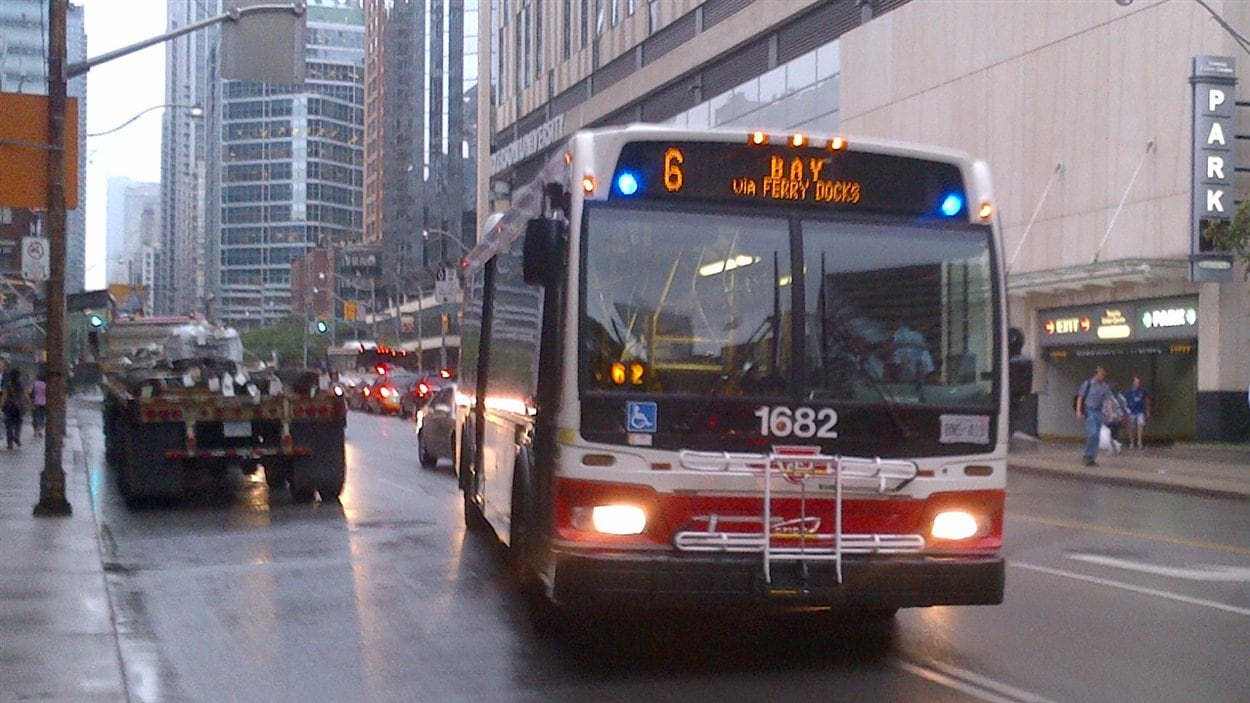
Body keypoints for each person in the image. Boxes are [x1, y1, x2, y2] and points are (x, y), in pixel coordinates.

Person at [1075, 365, 1112, 467]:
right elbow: (1080, 397)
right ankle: (1087, 455)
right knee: (1093, 433)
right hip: (1089, 411)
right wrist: (1078, 411)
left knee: (1096, 437)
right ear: (1096, 374)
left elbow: (1108, 400)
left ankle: (1091, 458)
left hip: (1098, 412)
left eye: (1103, 375)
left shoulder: (1105, 386)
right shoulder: (1088, 384)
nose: (1103, 377)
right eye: (1101, 374)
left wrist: (1110, 413)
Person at [0, 357, 25, 449]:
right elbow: (24, 394)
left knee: (8, 423)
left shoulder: (8, 383)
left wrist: (1, 405)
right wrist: (27, 404)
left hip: (8, 405)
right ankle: (16, 436)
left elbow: (4, 395)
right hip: (18, 405)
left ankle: (9, 443)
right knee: (18, 422)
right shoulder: (20, 383)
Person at [1103, 382, 1129, 454]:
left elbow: (1124, 408)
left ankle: (1114, 446)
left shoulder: (1119, 398)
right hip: (1109, 417)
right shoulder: (1109, 397)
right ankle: (1114, 446)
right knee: (1111, 433)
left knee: (1112, 432)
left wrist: (1125, 416)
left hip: (1114, 418)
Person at [1125, 376, 1150, 449]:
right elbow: (1124, 401)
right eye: (1136, 382)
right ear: (1133, 383)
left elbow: (1147, 400)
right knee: (1131, 427)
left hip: (1140, 411)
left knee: (1140, 426)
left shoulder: (1143, 391)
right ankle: (1132, 442)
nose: (1137, 384)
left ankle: (1139, 442)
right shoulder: (1128, 391)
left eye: (1138, 382)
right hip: (1131, 411)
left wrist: (1148, 410)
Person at [29, 372, 47, 438]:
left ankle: (35, 431)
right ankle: (40, 429)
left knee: (34, 416)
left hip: (35, 402)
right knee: (42, 416)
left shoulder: (34, 383)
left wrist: (30, 400)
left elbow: (31, 392)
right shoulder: (45, 385)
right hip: (44, 403)